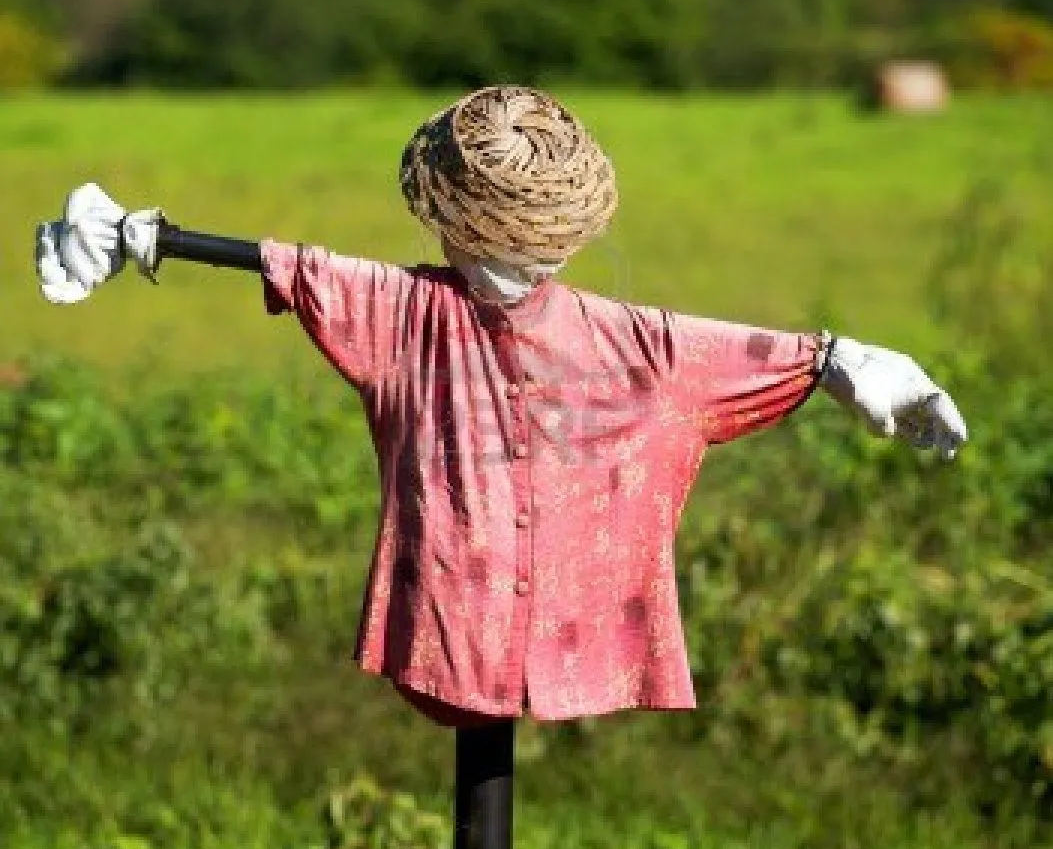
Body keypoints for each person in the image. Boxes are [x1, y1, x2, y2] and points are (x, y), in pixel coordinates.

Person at [35, 85, 967, 731]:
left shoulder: (642, 345)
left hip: (578, 639)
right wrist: (133, 234)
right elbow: (290, 263)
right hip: (446, 632)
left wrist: (846, 363)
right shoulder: (396, 311)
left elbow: (756, 353)